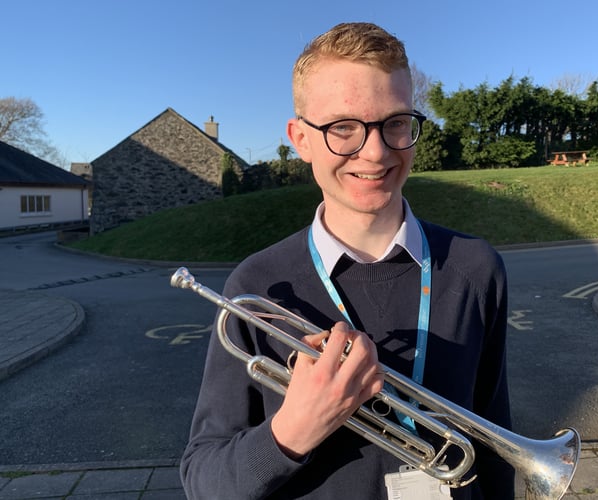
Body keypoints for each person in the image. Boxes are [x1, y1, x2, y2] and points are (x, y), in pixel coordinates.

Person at [180, 22, 515, 499]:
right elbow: (203, 482)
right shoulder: (258, 286)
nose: (375, 152)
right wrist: (292, 430)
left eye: (395, 122)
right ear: (301, 139)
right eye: (343, 128)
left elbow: (495, 444)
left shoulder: (476, 268)